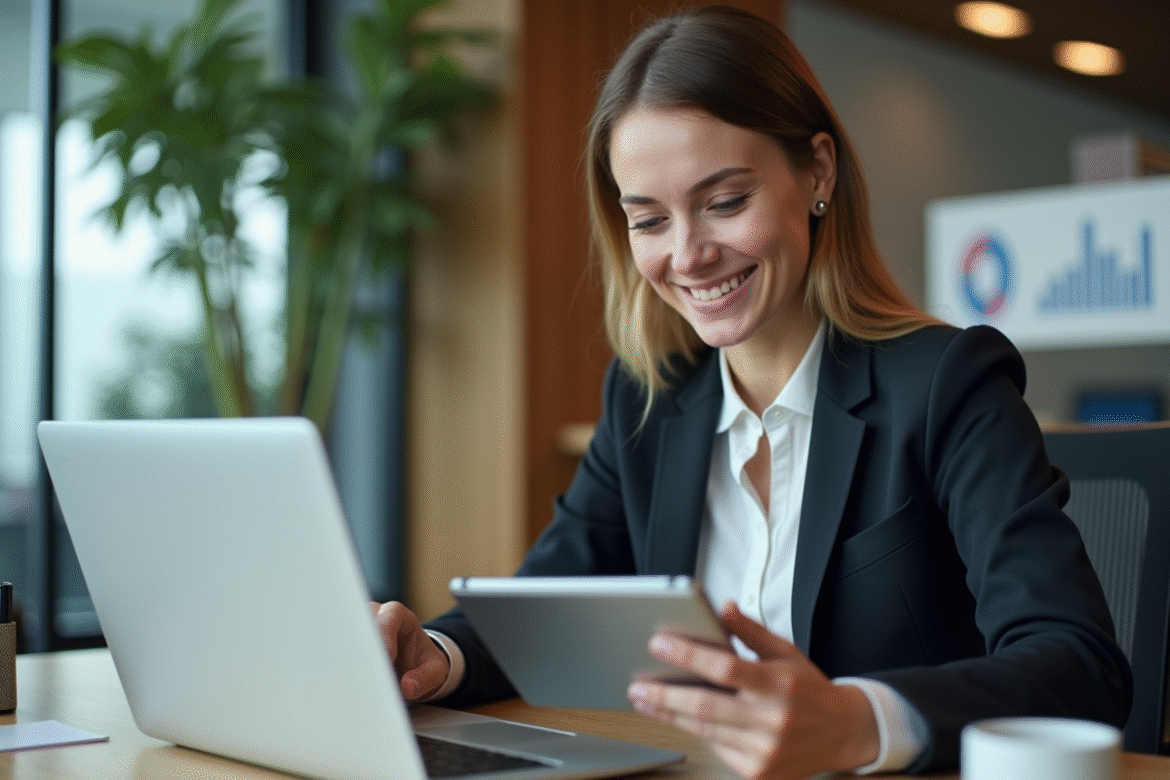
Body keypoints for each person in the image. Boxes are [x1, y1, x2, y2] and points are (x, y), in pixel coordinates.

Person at [373, 5, 1131, 778]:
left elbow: (1080, 667)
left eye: (725, 201)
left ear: (818, 173)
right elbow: (538, 612)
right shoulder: (648, 401)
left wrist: (857, 721)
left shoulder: (946, 384)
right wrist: (432, 655)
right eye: (649, 221)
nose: (689, 256)